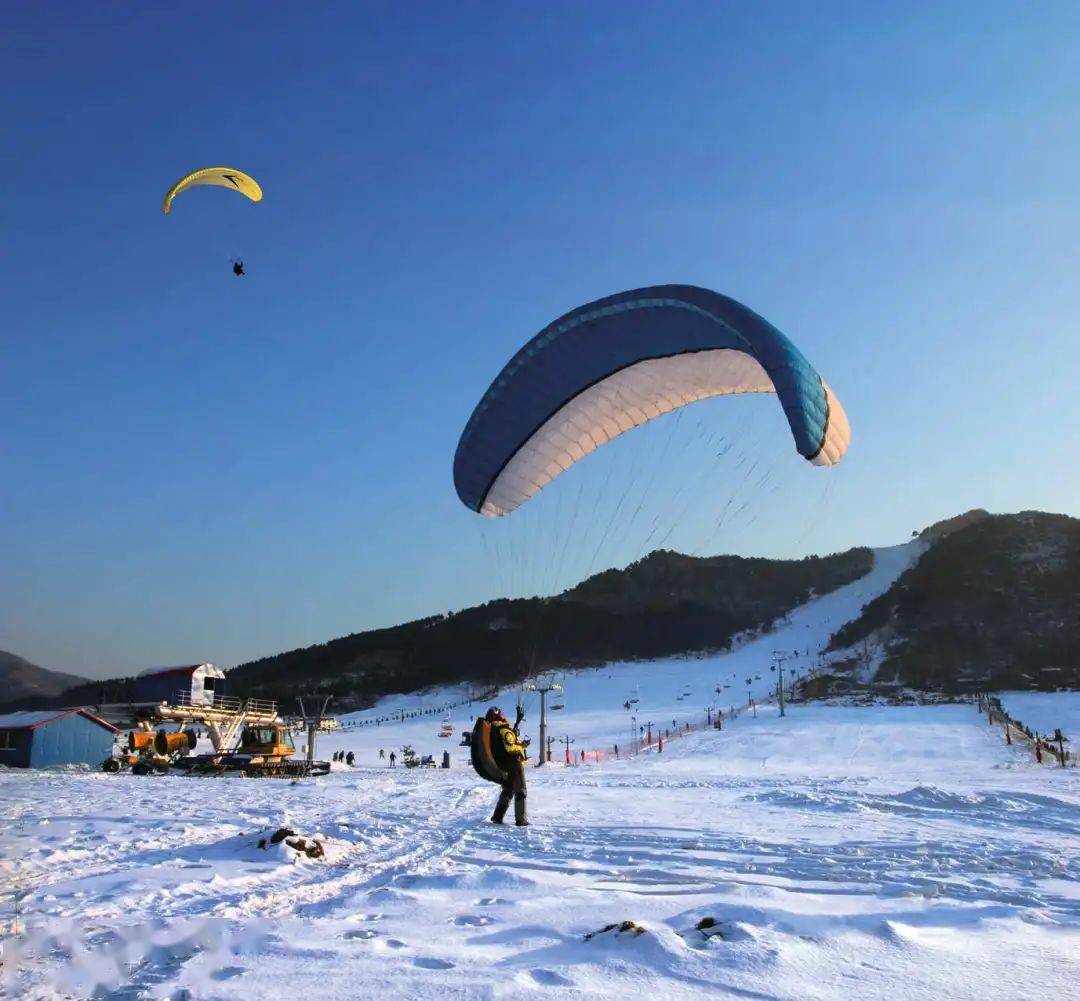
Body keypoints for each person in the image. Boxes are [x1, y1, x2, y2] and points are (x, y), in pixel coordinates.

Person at [486, 706, 528, 827]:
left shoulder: (491, 730)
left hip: (501, 766)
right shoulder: (503, 730)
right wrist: (522, 746)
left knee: (508, 791)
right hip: (513, 765)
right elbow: (510, 748)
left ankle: (497, 817)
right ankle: (521, 820)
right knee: (520, 790)